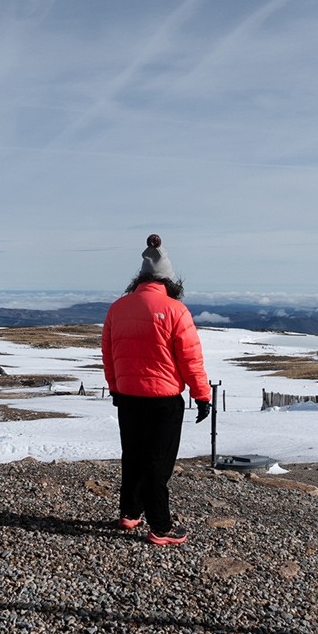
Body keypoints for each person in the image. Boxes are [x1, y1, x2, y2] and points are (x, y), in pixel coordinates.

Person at [101, 234, 211, 546]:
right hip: (163, 400)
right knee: (158, 464)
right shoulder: (176, 311)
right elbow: (190, 359)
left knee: (133, 455)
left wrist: (116, 388)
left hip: (129, 397)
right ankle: (161, 527)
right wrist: (202, 396)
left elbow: (109, 354)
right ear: (169, 280)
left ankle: (130, 512)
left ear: (141, 277)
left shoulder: (117, 309)